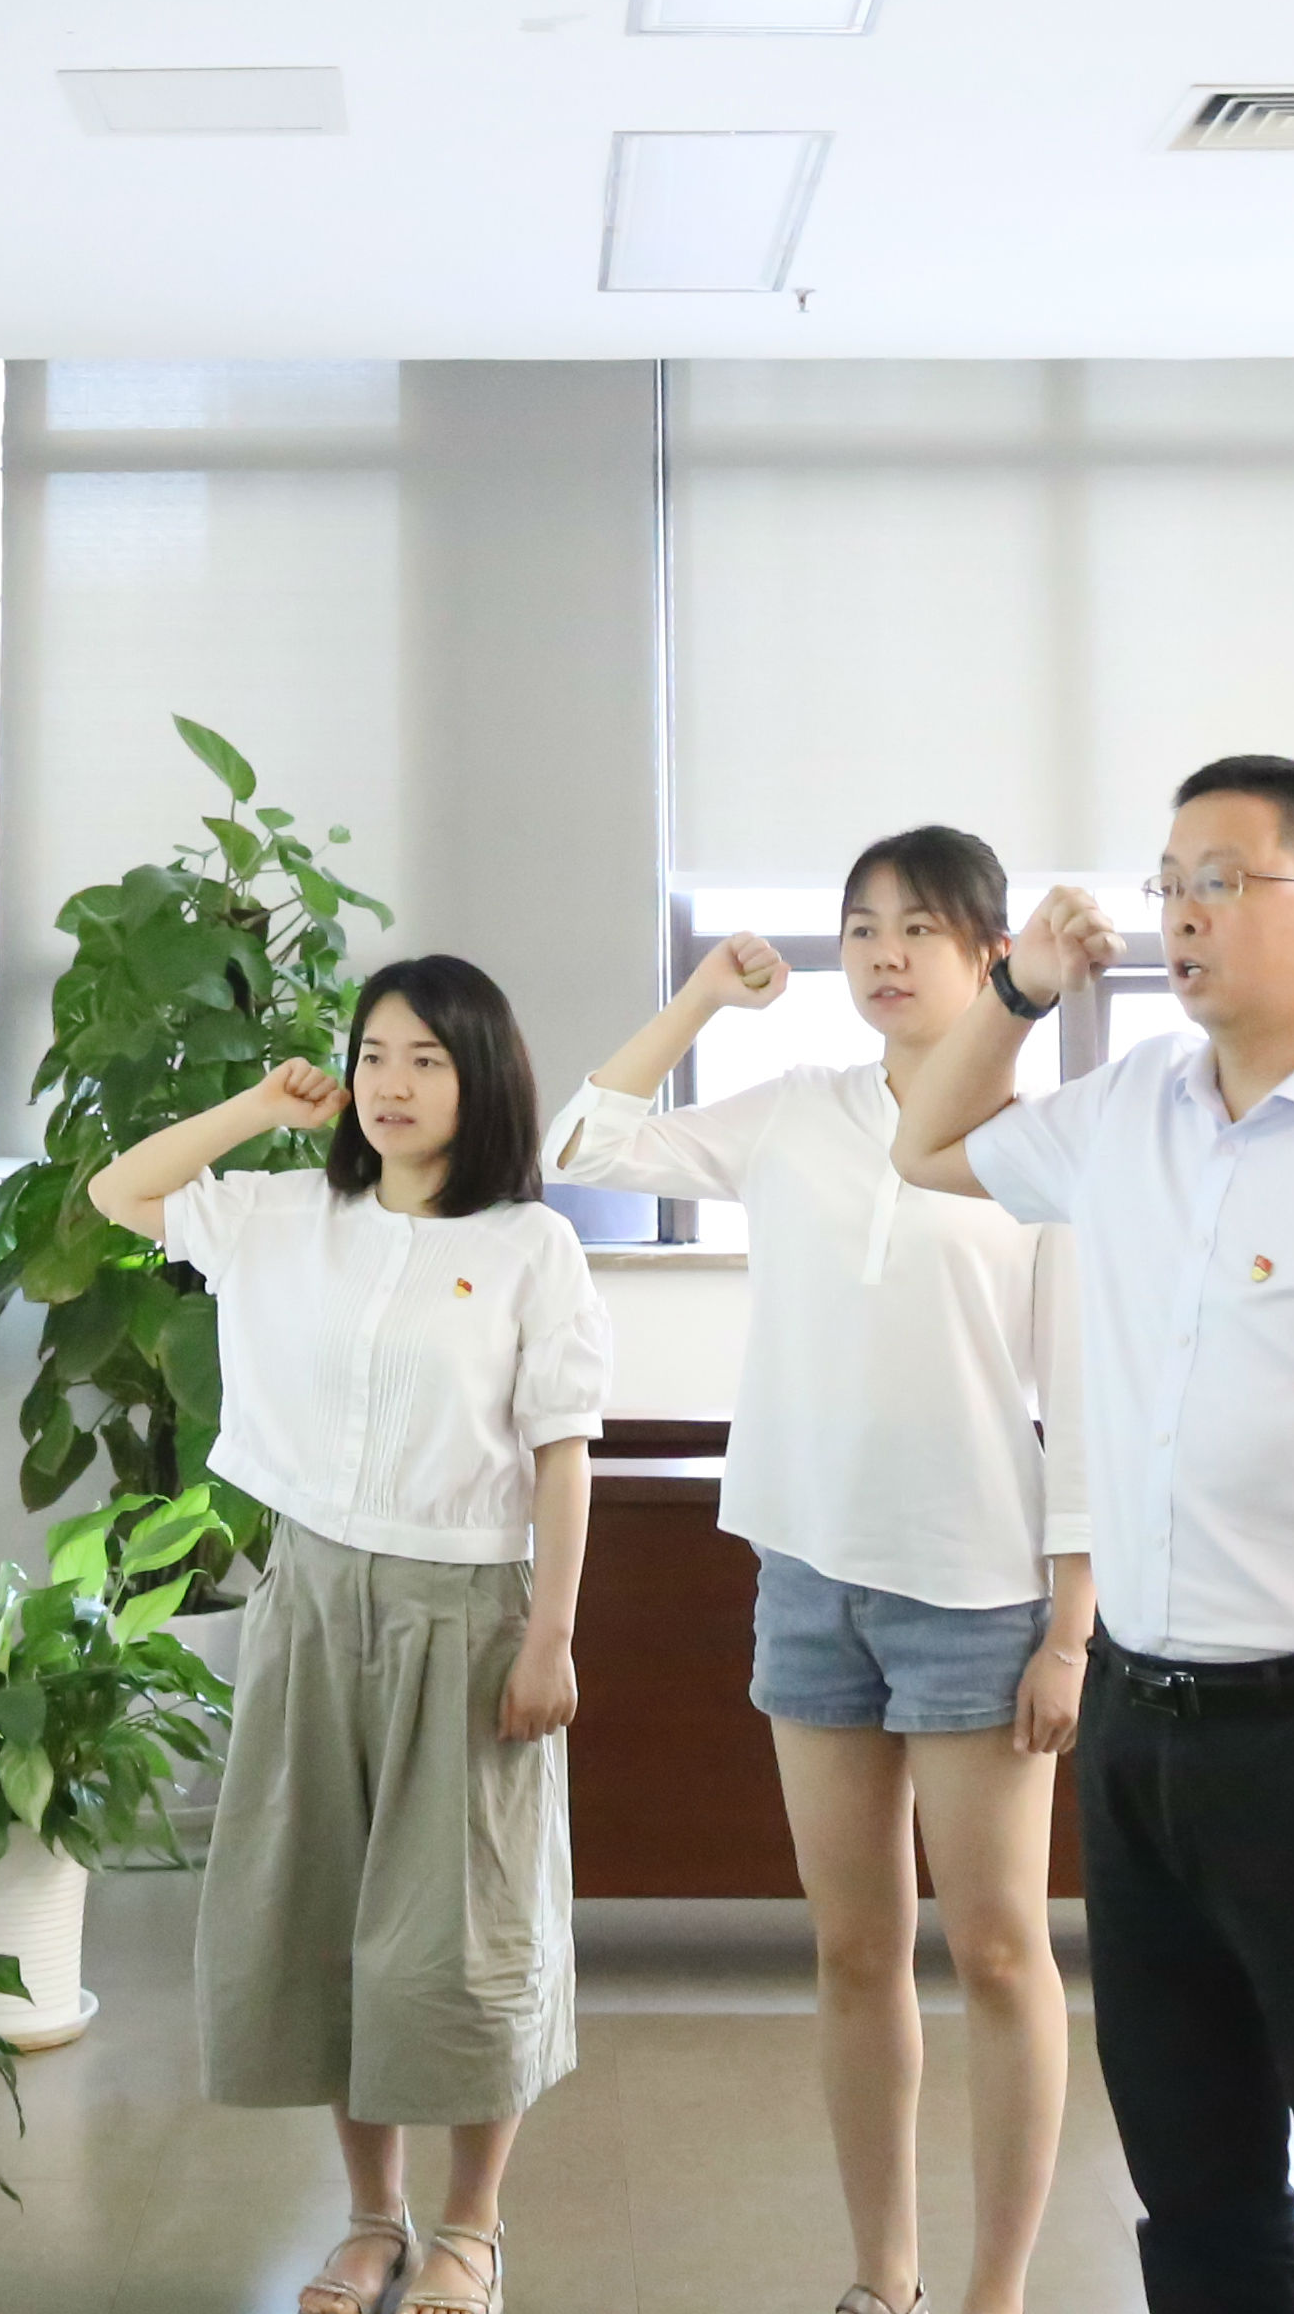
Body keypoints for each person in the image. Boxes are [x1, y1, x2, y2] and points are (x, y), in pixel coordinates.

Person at [888, 755, 1294, 2314]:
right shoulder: (1131, 1109)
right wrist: (1020, 991)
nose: (1181, 915)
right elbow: (924, 1142)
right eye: (1169, 885)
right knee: (1194, 2195)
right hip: (1140, 1730)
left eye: (1222, 883)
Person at [559, 827, 1096, 2314]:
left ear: (993, 955)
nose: (883, 954)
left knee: (1001, 1953)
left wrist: (1071, 1628)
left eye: (919, 927)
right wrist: (699, 998)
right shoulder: (796, 1111)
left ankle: (996, 2292)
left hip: (978, 1588)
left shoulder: (1041, 1151)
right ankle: (884, 2282)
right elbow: (584, 1147)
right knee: (855, 1951)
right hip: (808, 1575)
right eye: (861, 928)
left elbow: (1083, 1402)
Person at [93, 952, 614, 2314]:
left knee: (463, 1936)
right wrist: (257, 1109)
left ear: (480, 1078)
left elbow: (563, 1452)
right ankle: (373, 2220)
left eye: (426, 1059)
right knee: (323, 1916)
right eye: (374, 1054)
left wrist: (551, 1639)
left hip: (469, 1613)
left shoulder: (529, 1248)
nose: (391, 1083)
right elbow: (119, 1194)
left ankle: (471, 2229)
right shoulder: (285, 1213)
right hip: (312, 1599)